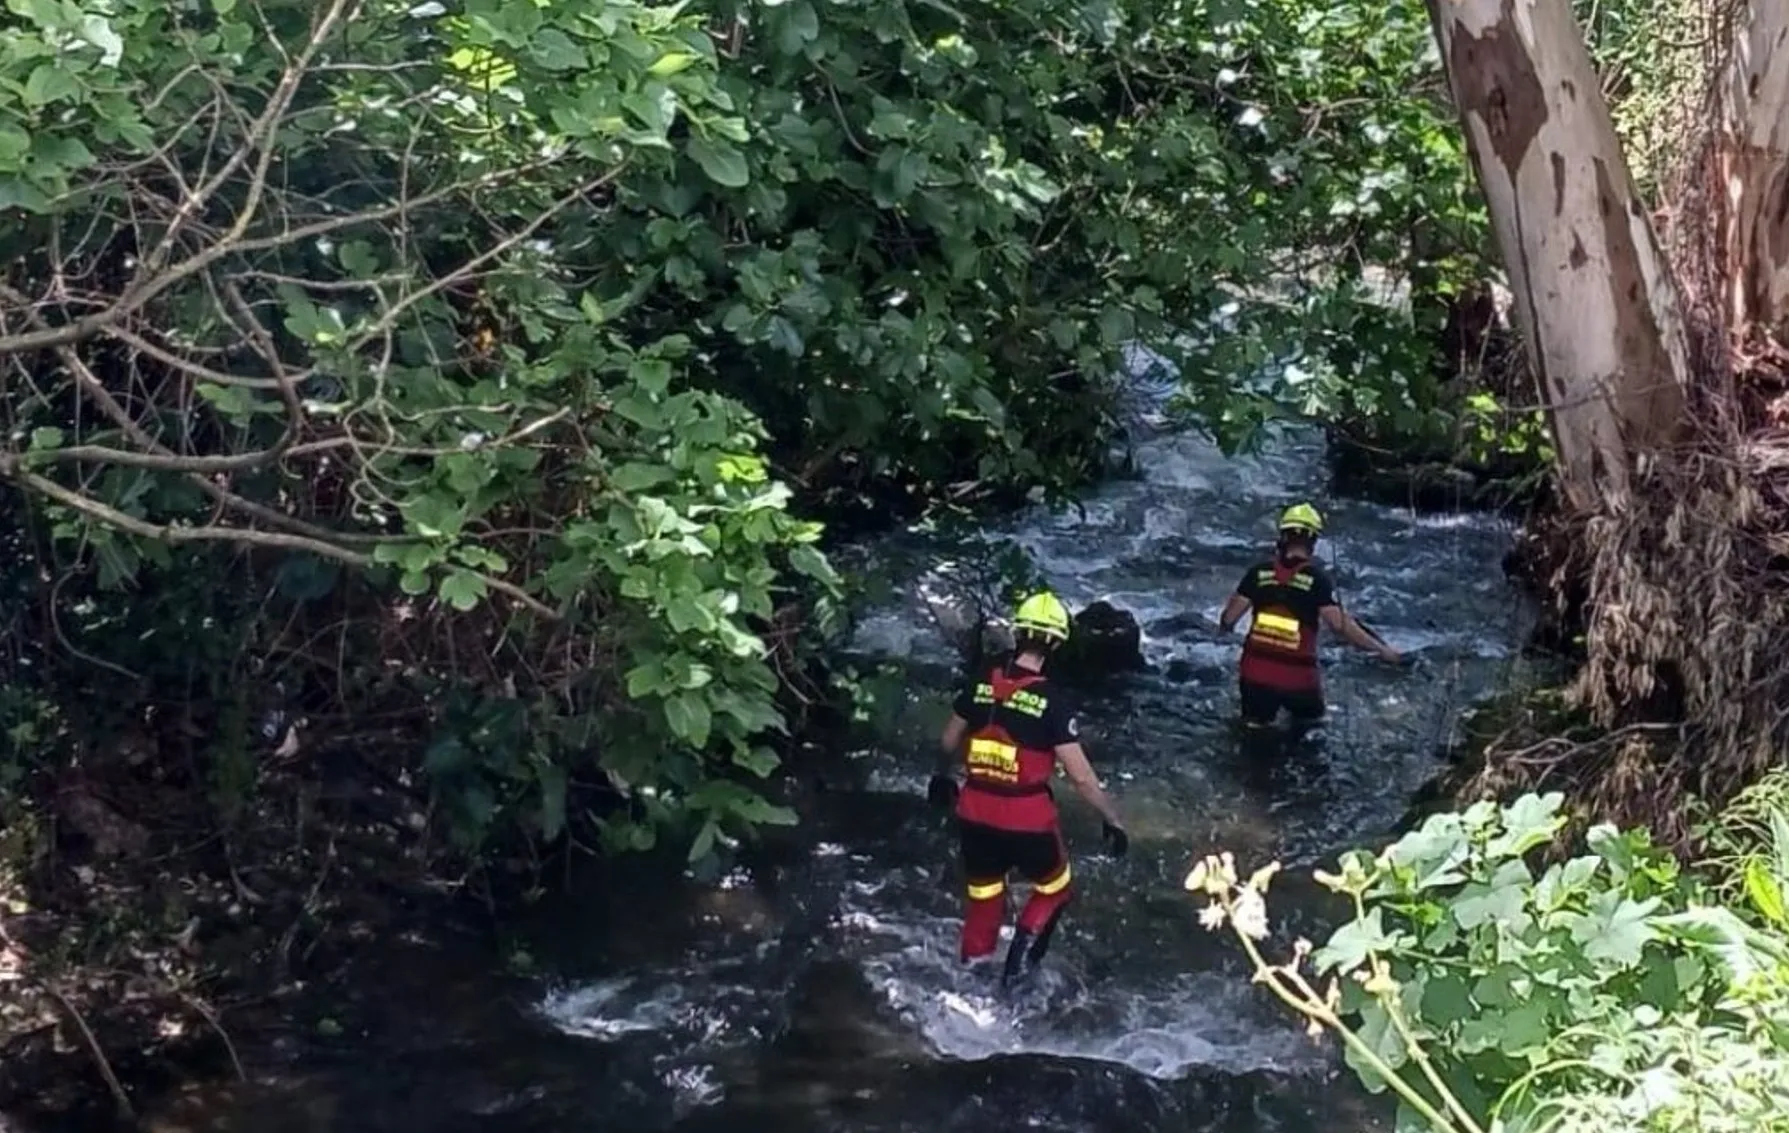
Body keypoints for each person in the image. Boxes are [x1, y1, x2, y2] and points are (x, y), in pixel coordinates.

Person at [927, 591, 1128, 987]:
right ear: (1055, 643)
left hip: (974, 812)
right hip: (1027, 819)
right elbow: (1082, 777)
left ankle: (971, 978)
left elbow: (949, 740)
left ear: (1018, 633)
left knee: (984, 897)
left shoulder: (982, 682)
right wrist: (1112, 819)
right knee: (1054, 889)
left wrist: (941, 776)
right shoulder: (1052, 701)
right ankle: (1016, 978)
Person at [1216, 503, 1401, 734]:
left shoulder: (1258, 573)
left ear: (1282, 535)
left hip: (1255, 675)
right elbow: (1340, 626)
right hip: (1298, 681)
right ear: (1313, 541)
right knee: (1311, 733)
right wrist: (1381, 650)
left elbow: (1228, 619)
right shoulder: (1316, 580)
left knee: (1254, 735)